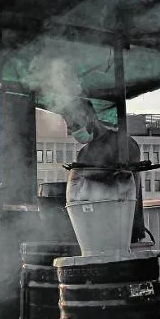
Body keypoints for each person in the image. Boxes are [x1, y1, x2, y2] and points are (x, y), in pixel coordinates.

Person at [64, 99, 145, 243]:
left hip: (124, 227)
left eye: (76, 125)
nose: (73, 131)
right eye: (70, 128)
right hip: (93, 228)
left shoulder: (124, 143)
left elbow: (126, 182)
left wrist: (90, 176)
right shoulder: (83, 153)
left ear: (90, 118)